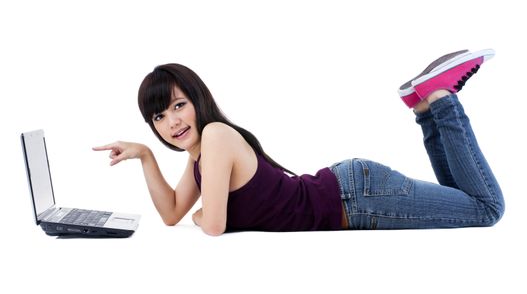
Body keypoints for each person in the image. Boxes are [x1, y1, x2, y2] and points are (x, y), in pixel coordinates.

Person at [93, 49, 505, 236]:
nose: (171, 121)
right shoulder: (201, 155)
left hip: (357, 198)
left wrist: (202, 215)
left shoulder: (216, 136)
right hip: (353, 192)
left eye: (178, 105)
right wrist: (145, 157)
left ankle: (441, 101)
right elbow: (170, 215)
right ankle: (424, 106)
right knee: (462, 200)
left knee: (486, 210)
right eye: (158, 117)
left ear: (198, 100)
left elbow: (213, 224)